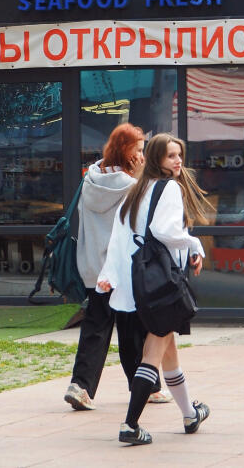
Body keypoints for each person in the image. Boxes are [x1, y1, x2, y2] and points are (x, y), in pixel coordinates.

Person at [97, 132, 212, 446]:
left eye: (179, 155)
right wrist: (194, 244)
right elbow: (165, 230)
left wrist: (110, 276)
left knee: (167, 350)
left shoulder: (139, 189)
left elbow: (119, 236)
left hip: (139, 281)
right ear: (157, 158)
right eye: (171, 155)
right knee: (153, 353)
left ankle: (189, 414)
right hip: (162, 283)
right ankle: (130, 424)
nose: (178, 161)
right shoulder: (169, 187)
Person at [64, 123, 168, 411]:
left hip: (93, 266)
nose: (143, 156)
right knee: (132, 327)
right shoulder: (131, 186)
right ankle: (146, 387)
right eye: (139, 150)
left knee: (96, 326)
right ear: (128, 153)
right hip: (120, 267)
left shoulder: (90, 179)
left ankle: (80, 386)